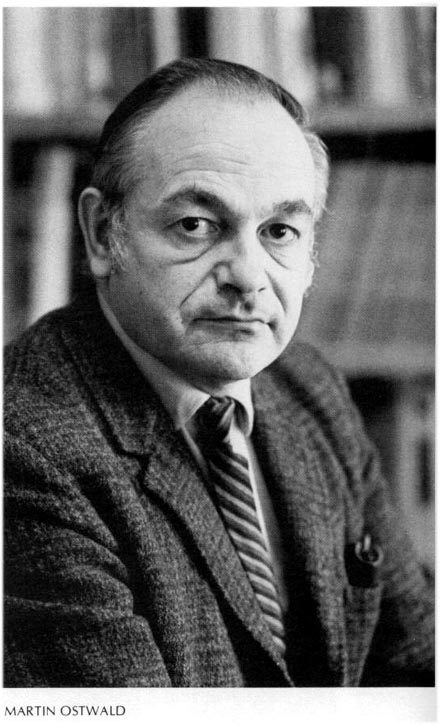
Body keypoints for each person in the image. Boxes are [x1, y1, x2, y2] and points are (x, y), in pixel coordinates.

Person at [4, 58, 434, 688]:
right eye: (196, 226)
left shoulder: (309, 386)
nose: (249, 277)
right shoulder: (23, 448)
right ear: (101, 234)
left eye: (280, 231)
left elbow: (417, 667)